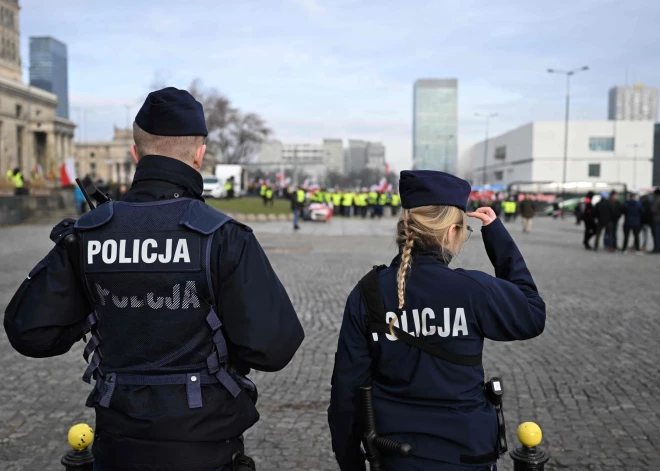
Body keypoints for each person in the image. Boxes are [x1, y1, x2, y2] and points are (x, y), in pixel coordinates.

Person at [4, 87, 305, 471]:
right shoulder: (223, 235)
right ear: (200, 153)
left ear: (135, 153)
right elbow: (275, 347)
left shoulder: (87, 235)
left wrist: (98, 302)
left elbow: (30, 332)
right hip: (206, 441)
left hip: (118, 441)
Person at [328, 170, 545, 471]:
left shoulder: (368, 292)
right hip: (467, 455)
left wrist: (351, 463)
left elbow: (347, 391)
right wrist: (496, 235)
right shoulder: (472, 289)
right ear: (450, 232)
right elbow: (532, 313)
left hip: (396, 455)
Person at [652, 188, 660, 253]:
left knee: (656, 235)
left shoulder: (656, 200)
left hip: (656, 219)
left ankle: (656, 249)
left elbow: (653, 210)